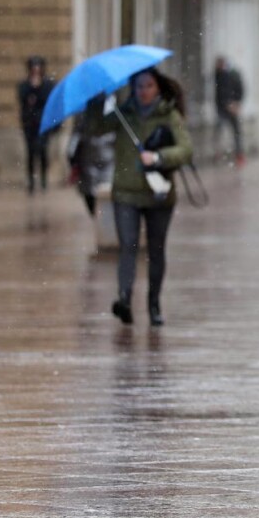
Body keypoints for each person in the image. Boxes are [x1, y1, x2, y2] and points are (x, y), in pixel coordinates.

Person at [87, 68, 192, 327]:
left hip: (159, 194)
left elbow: (185, 150)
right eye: (139, 86)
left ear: (157, 87)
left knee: (156, 251)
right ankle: (124, 299)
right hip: (126, 192)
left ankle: (153, 303)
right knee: (128, 247)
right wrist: (95, 102)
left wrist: (158, 157)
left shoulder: (169, 115)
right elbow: (95, 128)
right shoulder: (124, 114)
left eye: (148, 86)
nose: (143, 91)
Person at [67, 96, 115, 217]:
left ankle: (100, 224)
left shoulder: (82, 110)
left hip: (89, 162)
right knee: (108, 206)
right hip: (109, 162)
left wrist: (72, 161)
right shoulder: (114, 107)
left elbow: (74, 141)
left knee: (94, 206)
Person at [18, 56, 55, 194]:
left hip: (43, 124)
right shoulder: (24, 85)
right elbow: (23, 99)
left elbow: (45, 100)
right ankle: (31, 181)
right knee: (30, 153)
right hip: (29, 125)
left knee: (43, 151)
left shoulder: (47, 85)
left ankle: (43, 179)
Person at [213, 56, 246, 166]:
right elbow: (220, 93)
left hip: (230, 107)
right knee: (223, 131)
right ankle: (221, 154)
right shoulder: (218, 75)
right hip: (223, 108)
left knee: (235, 132)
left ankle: (238, 155)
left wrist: (234, 103)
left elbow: (237, 90)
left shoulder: (230, 75)